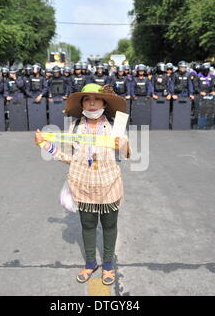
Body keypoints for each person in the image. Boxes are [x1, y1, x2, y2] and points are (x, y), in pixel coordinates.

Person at [34, 83, 131, 286]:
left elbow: (128, 154)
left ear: (104, 102)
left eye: (96, 98)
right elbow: (68, 157)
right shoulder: (75, 126)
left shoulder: (115, 125)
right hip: (82, 184)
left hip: (109, 185)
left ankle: (107, 265)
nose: (92, 103)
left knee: (109, 225)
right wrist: (44, 144)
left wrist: (124, 145)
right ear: (82, 104)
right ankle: (90, 263)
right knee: (87, 225)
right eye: (87, 99)